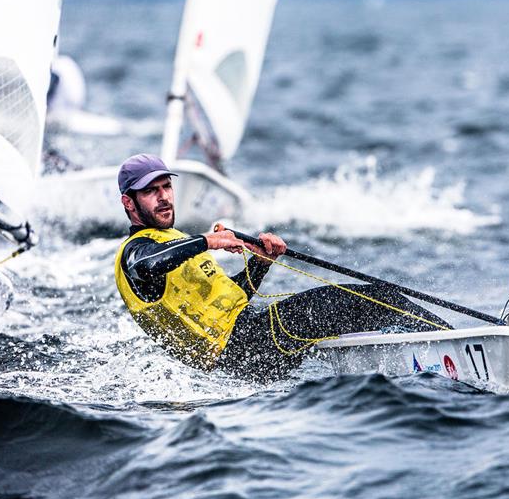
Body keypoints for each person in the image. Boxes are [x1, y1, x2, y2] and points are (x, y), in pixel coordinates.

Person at [113, 154, 449, 382]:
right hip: (245, 348)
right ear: (129, 202)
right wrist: (207, 241)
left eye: (166, 187)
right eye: (150, 192)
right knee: (373, 298)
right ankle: (454, 344)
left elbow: (231, 299)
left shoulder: (172, 239)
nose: (163, 197)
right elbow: (148, 263)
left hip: (249, 348)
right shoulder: (136, 252)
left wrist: (262, 262)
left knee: (367, 307)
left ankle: (434, 351)